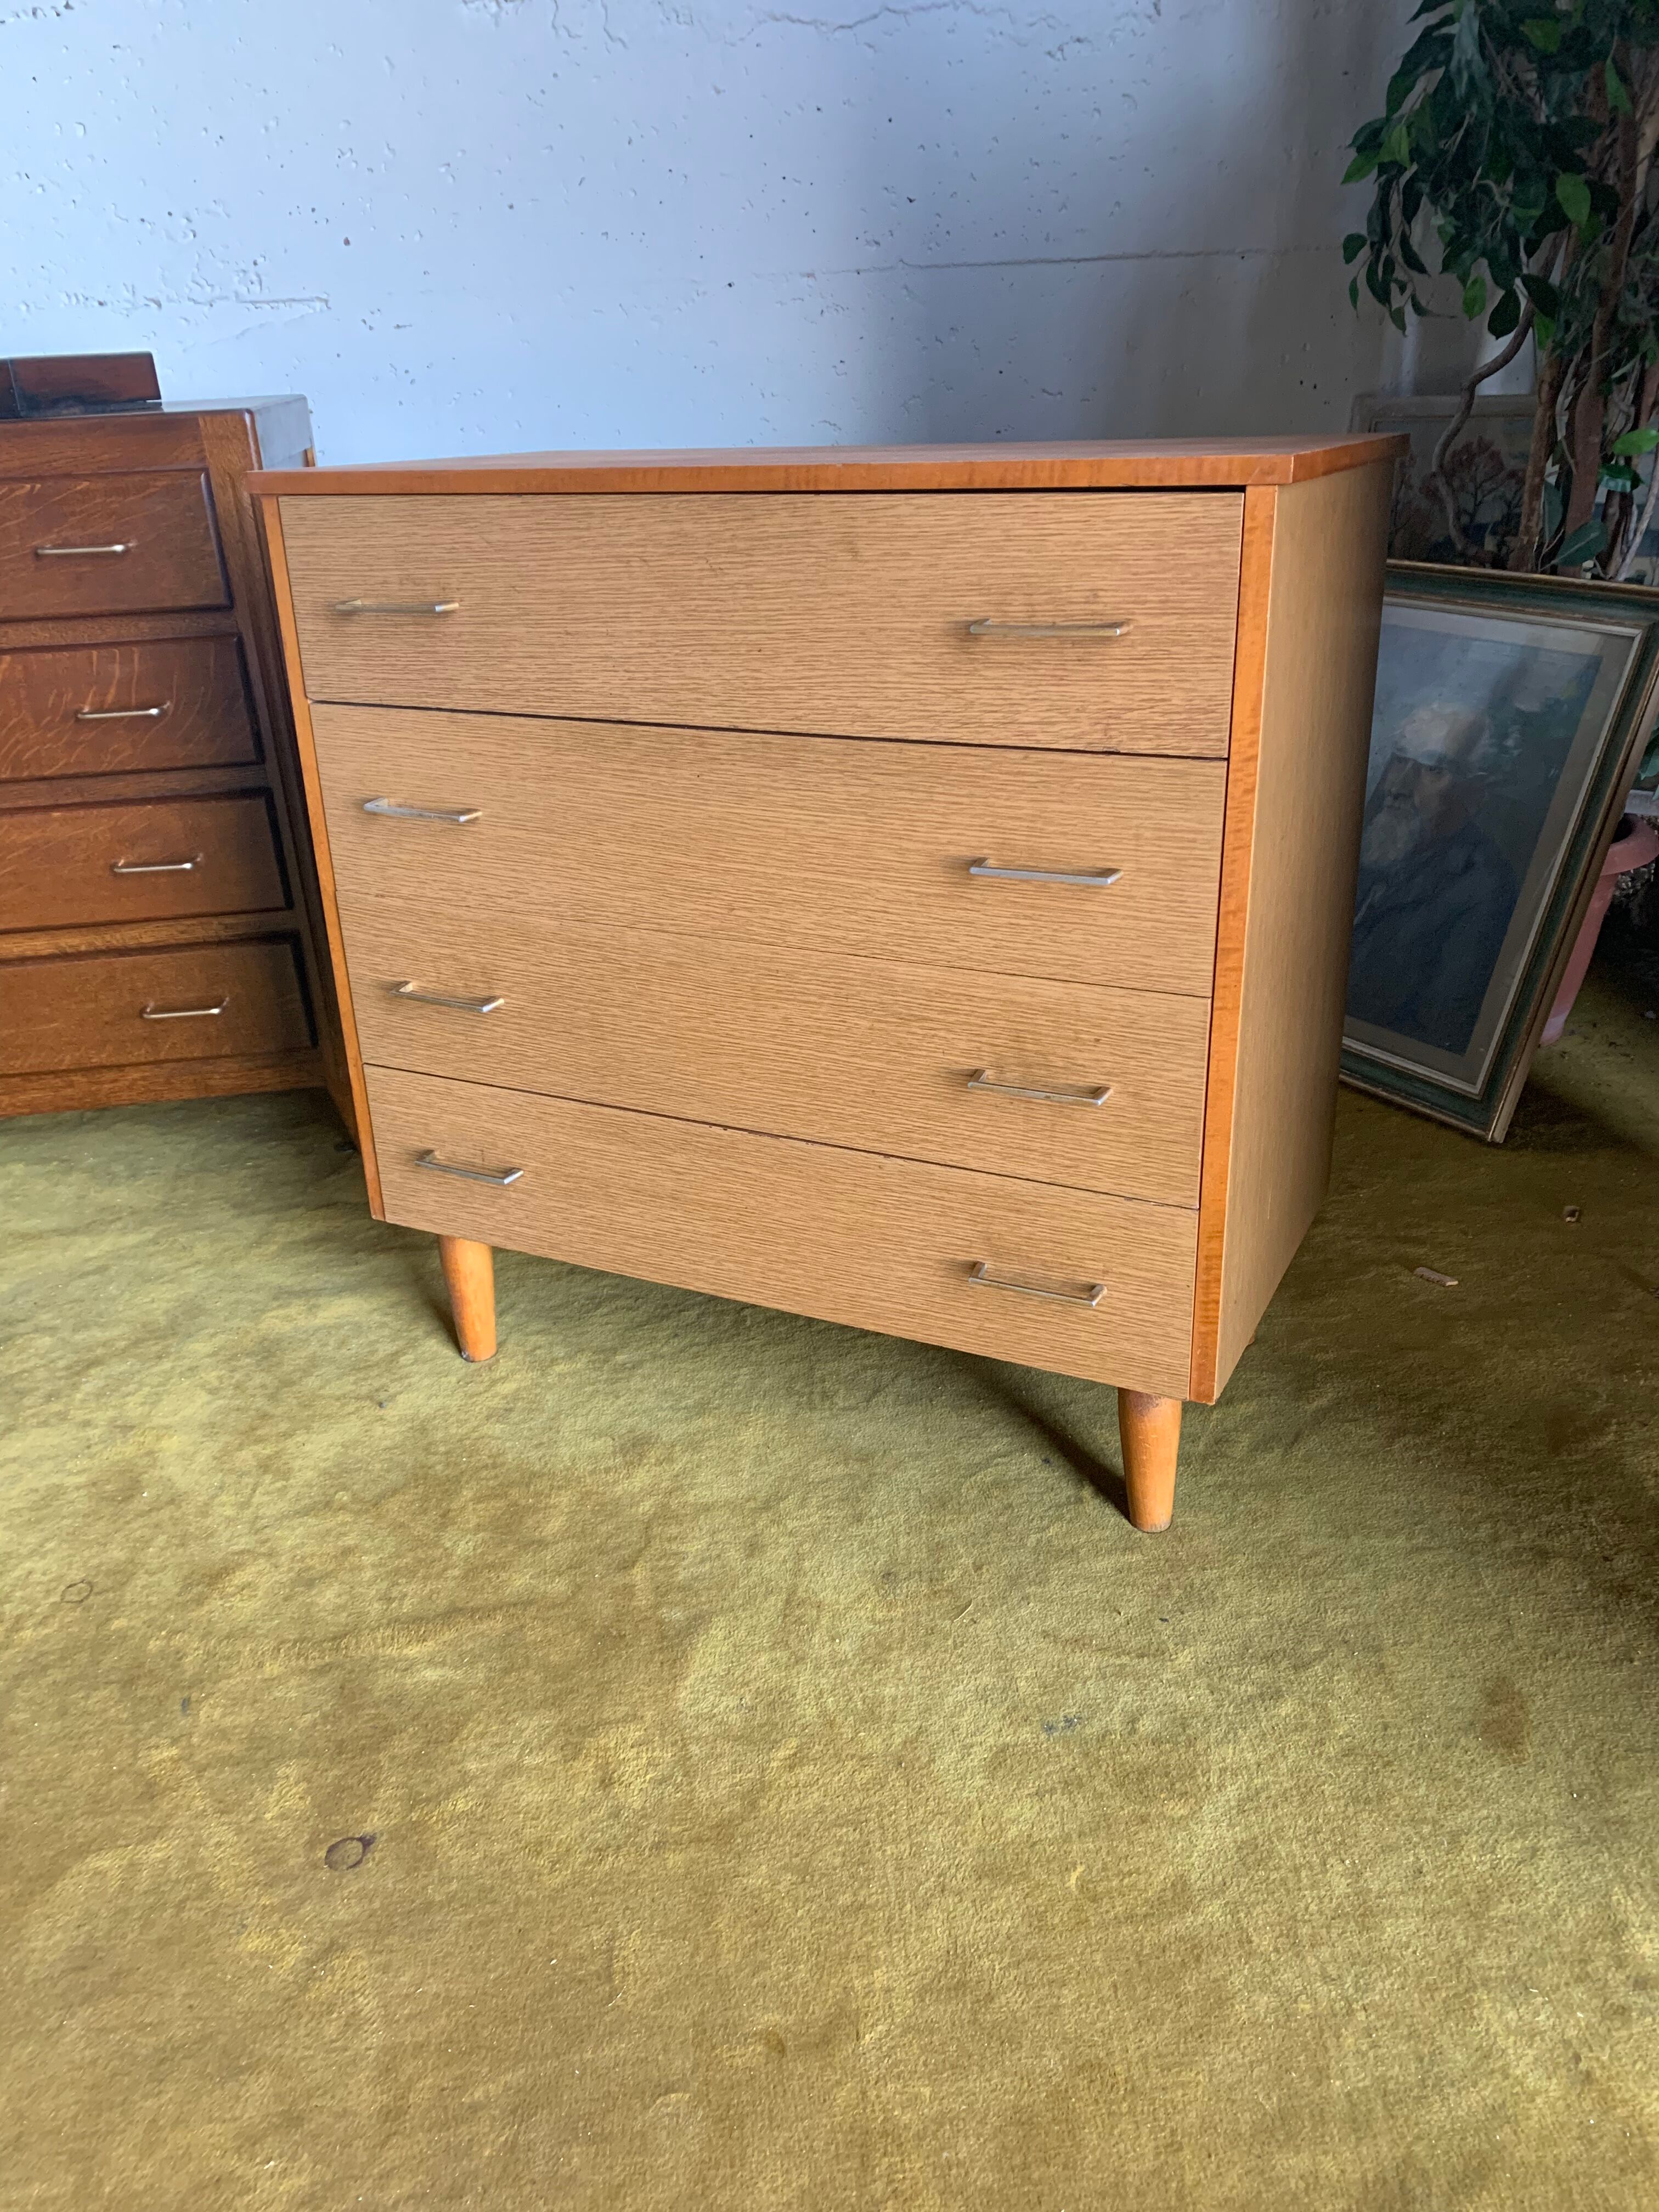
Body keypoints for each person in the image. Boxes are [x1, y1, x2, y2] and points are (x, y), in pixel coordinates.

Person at [1346, 703, 1519, 1058]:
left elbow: (1439, 1035)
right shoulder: (1356, 833)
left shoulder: (1485, 887)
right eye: (1399, 761)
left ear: (1475, 793)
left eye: (1433, 769)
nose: (1398, 786)